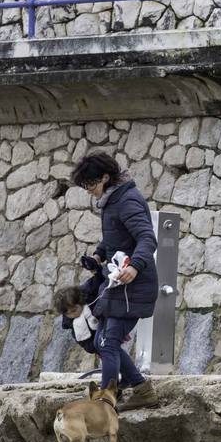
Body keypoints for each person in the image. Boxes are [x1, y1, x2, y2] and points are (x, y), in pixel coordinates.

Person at [70, 152, 159, 412]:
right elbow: (114, 238)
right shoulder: (110, 202)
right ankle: (141, 389)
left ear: (105, 177)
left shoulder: (127, 200)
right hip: (115, 283)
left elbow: (146, 238)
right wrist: (98, 256)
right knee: (100, 341)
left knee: (109, 342)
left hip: (134, 285)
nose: (89, 191)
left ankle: (105, 402)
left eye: (91, 185)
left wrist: (135, 266)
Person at [52, 254, 107, 356]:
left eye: (74, 310)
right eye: (69, 314)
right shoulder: (73, 323)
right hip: (100, 344)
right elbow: (84, 342)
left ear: (80, 302)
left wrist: (95, 267)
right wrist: (97, 348)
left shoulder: (87, 292)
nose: (73, 314)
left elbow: (100, 278)